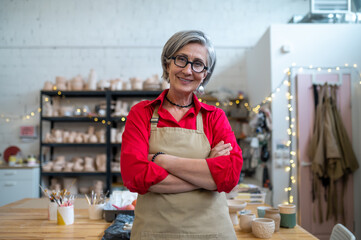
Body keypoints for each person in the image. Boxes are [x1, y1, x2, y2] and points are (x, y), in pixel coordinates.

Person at [121, 30, 243, 240]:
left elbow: (229, 175)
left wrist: (162, 160)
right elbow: (134, 176)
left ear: (205, 73)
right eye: (181, 59)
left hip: (212, 234)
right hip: (154, 234)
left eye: (198, 64)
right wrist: (207, 173)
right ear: (167, 64)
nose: (188, 70)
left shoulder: (214, 117)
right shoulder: (142, 113)